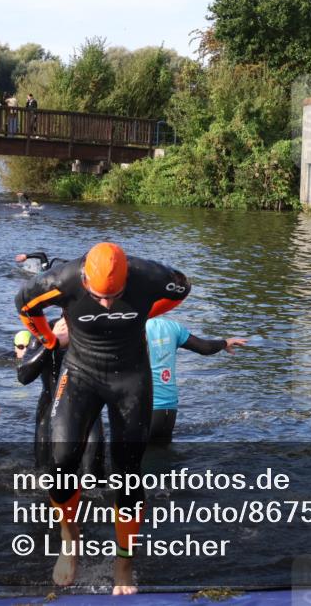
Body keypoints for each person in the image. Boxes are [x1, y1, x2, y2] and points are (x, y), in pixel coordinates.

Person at [15, 242, 189, 593]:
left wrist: (148, 312)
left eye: (116, 297)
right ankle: (69, 537)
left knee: (127, 472)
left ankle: (123, 563)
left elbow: (182, 287)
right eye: (100, 297)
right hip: (81, 372)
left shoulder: (149, 274)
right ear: (84, 281)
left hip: (130, 377)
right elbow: (24, 304)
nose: (108, 303)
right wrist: (48, 339)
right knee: (62, 459)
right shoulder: (63, 279)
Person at [15, 320, 107, 476]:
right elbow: (23, 375)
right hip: (50, 411)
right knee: (44, 479)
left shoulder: (94, 331)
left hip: (88, 413)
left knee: (94, 480)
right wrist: (52, 341)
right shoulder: (46, 331)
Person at [145, 318, 246, 445]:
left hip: (144, 409)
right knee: (163, 455)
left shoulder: (130, 328)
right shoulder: (171, 326)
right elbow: (205, 348)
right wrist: (225, 342)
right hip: (169, 409)